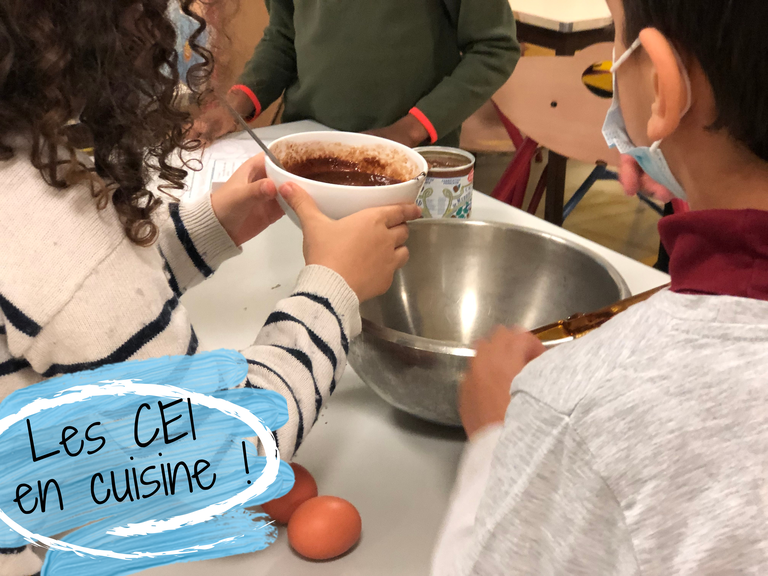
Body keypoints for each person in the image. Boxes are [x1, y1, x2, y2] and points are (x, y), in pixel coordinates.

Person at [0, 1, 419, 574]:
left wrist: (212, 226)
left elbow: (83, 310)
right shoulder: (60, 239)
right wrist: (333, 287)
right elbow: (223, 449)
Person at [432, 0, 768, 574]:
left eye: (616, 29)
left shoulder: (577, 413)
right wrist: (698, 168)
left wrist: (498, 441)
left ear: (658, 83)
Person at [189, 0, 521, 148]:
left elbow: (494, 48)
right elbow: (285, 36)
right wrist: (234, 107)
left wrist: (409, 130)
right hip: (308, 146)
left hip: (412, 158)